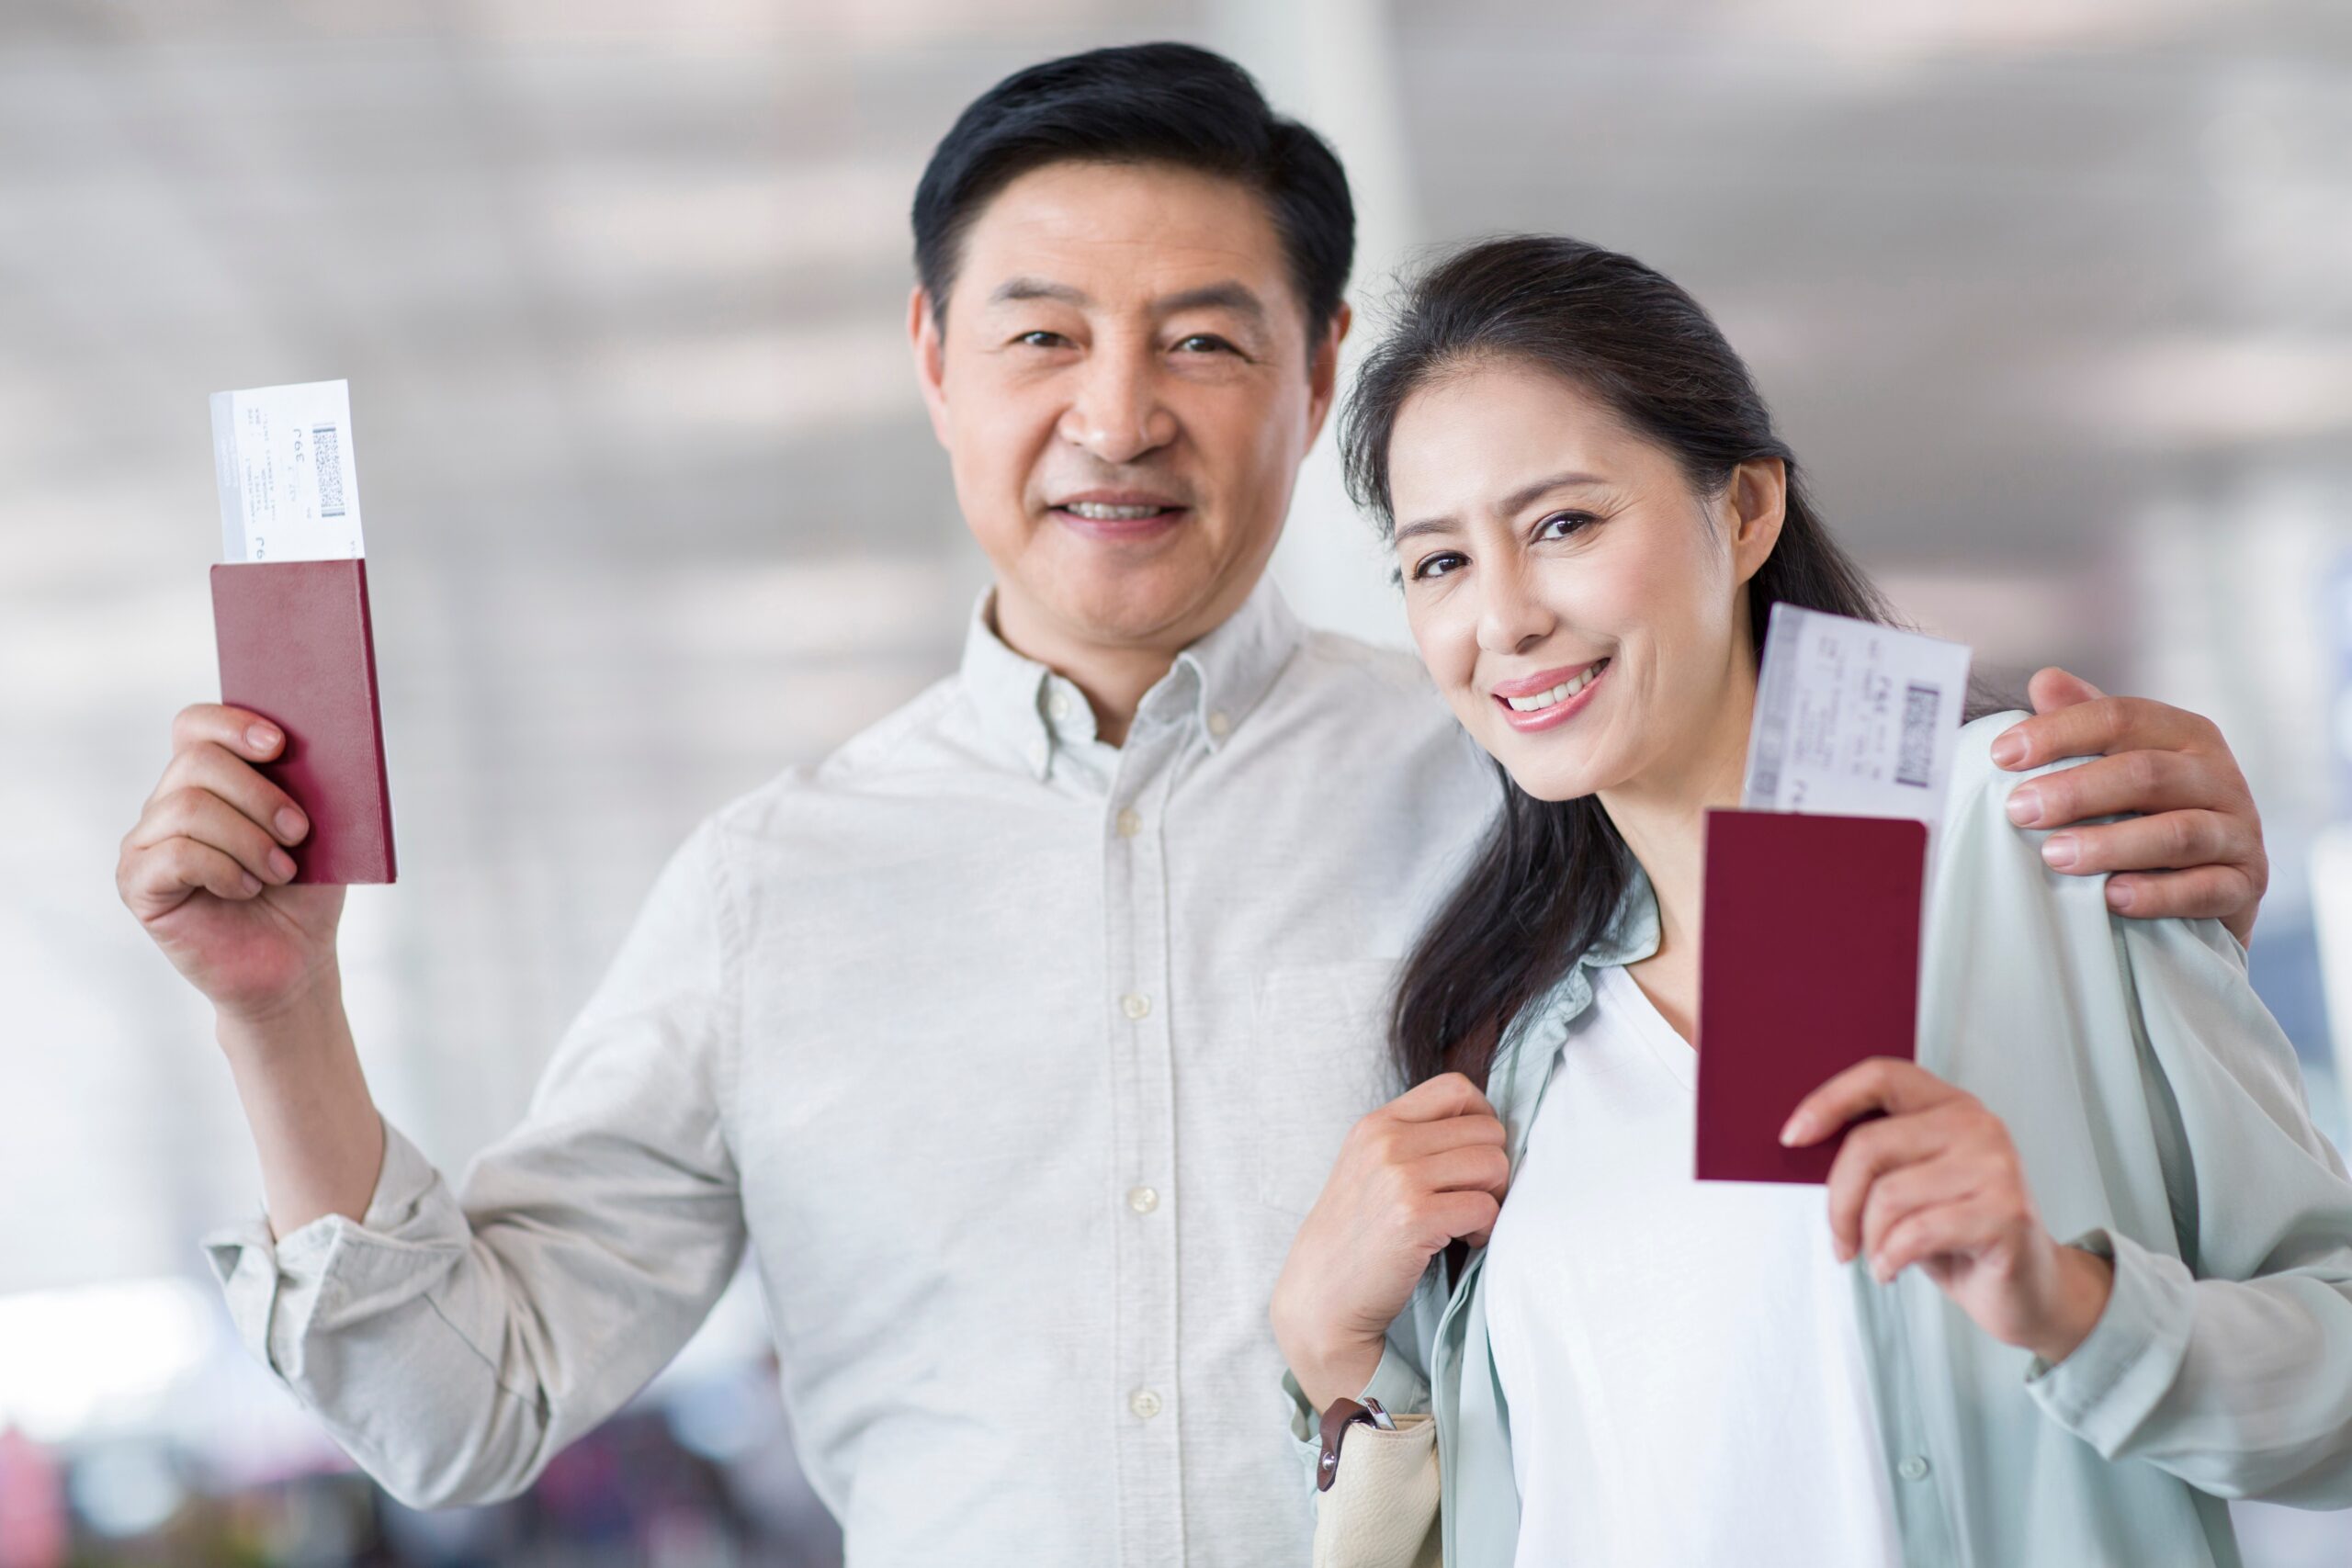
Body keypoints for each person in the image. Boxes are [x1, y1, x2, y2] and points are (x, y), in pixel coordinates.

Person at [114, 45, 2271, 1568]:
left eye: (1206, 341)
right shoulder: (768, 891)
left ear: (1322, 375)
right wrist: (277, 1011)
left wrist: (2132, 820)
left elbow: (1874, 1217)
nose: (1116, 415)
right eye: (1041, 334)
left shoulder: (1525, 762)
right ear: (933, 362)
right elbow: (455, 1411)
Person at [1272, 234, 2352, 1568]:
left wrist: (2069, 1303)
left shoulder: (2030, 842)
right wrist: (1333, 1357)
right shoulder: (1506, 1040)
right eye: (1439, 563)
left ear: (1744, 514)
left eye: (1565, 524)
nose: (1504, 619)